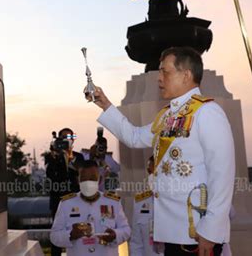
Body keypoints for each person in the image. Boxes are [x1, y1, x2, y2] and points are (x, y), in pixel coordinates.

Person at [87, 47, 235, 256]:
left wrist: (211, 230)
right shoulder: (168, 116)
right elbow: (135, 137)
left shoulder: (207, 112)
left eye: (165, 72)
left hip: (196, 231)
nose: (159, 78)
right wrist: (105, 105)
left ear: (186, 75)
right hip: (173, 231)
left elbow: (223, 175)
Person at [50, 160, 131, 256]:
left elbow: (126, 230)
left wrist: (115, 235)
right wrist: (70, 234)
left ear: (100, 180)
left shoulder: (113, 202)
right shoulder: (66, 204)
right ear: (78, 180)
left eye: (92, 178)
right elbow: (54, 236)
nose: (88, 182)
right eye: (84, 179)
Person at [45, 128, 85, 256]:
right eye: (64, 138)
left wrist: (70, 157)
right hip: (58, 200)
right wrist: (57, 157)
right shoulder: (52, 157)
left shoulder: (78, 156)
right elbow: (51, 175)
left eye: (70, 137)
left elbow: (80, 172)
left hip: (75, 199)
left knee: (79, 231)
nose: (67, 140)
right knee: (57, 232)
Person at [130, 155, 164, 256]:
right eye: (150, 172)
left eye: (156, 172)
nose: (152, 176)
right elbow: (136, 243)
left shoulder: (177, 201)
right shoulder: (139, 201)